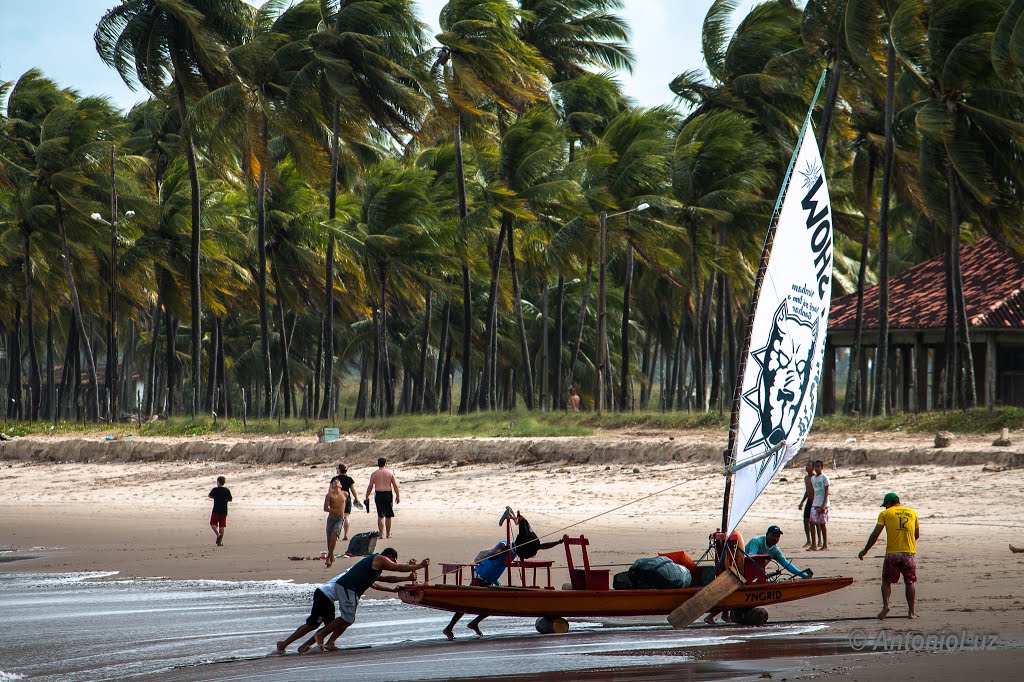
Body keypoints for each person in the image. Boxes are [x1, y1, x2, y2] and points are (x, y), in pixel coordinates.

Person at [443, 519, 564, 640]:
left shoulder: (518, 550)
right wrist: (503, 551)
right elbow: (491, 556)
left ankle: (473, 623)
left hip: (491, 579)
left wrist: (559, 542)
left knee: (493, 604)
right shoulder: (504, 544)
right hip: (480, 576)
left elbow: (542, 546)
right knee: (467, 603)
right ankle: (449, 628)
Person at [301, 549, 429, 652]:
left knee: (349, 619)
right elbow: (398, 568)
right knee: (347, 618)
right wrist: (420, 566)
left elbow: (388, 579)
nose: (392, 563)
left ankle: (330, 642)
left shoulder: (376, 569)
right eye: (393, 560)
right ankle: (321, 635)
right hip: (347, 586)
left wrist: (407, 578)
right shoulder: (379, 558)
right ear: (389, 556)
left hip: (352, 590)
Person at [704, 527, 809, 625]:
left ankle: (725, 615)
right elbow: (751, 557)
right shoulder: (757, 541)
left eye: (777, 536)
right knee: (732, 593)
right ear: (767, 534)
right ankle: (710, 616)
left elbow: (786, 564)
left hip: (753, 574)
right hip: (740, 569)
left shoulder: (775, 550)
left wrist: (801, 574)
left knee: (735, 594)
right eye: (773, 535)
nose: (775, 538)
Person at [858, 492, 920, 620]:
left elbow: (875, 534)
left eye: (885, 505)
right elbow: (916, 535)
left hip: (892, 553)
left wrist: (865, 550)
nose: (884, 508)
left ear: (888, 503)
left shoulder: (885, 514)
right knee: (909, 582)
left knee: (886, 581)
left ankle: (886, 605)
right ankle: (911, 612)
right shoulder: (912, 513)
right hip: (908, 553)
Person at [365, 458, 400, 539]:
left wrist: (367, 496)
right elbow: (395, 486)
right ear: (385, 464)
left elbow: (370, 486)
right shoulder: (390, 473)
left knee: (380, 515)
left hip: (379, 494)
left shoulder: (374, 474)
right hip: (388, 494)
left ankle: (381, 534)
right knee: (388, 515)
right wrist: (398, 496)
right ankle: (388, 534)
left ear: (378, 464)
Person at [330, 464, 363, 541]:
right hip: (347, 498)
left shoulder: (335, 479)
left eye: (337, 469)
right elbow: (353, 490)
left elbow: (330, 490)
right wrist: (356, 498)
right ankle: (346, 535)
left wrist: (330, 499)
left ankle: (336, 536)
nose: (336, 470)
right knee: (346, 516)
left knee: (337, 518)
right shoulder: (349, 479)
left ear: (339, 470)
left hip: (337, 498)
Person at [323, 480, 347, 568]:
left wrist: (343, 513)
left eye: (338, 482)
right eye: (334, 482)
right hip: (331, 519)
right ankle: (331, 555)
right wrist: (334, 510)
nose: (336, 483)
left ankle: (328, 558)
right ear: (332, 486)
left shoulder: (345, 494)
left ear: (341, 485)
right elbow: (325, 508)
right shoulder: (329, 495)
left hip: (340, 519)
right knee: (329, 539)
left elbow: (345, 505)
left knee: (334, 536)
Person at [809, 460, 830, 550]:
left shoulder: (824, 478)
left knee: (822, 524)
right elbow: (815, 492)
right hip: (815, 503)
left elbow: (826, 492)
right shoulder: (813, 478)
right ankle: (814, 544)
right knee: (812, 522)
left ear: (822, 467)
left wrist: (824, 505)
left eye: (818, 467)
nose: (817, 468)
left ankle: (825, 544)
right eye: (815, 467)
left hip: (823, 503)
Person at [208, 476, 232, 546]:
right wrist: (225, 500)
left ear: (218, 482)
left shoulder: (215, 490)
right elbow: (230, 499)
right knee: (222, 526)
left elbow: (209, 496)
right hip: (224, 510)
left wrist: (216, 497)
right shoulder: (227, 490)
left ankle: (218, 534)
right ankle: (220, 542)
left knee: (212, 523)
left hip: (216, 510)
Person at [798, 461, 816, 549]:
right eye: (806, 465)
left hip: (815, 501)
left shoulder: (815, 478)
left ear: (813, 468)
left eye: (808, 466)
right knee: (806, 520)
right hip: (809, 500)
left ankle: (819, 541)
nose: (806, 467)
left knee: (816, 522)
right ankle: (808, 540)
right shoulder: (806, 478)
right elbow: (807, 491)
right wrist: (802, 502)